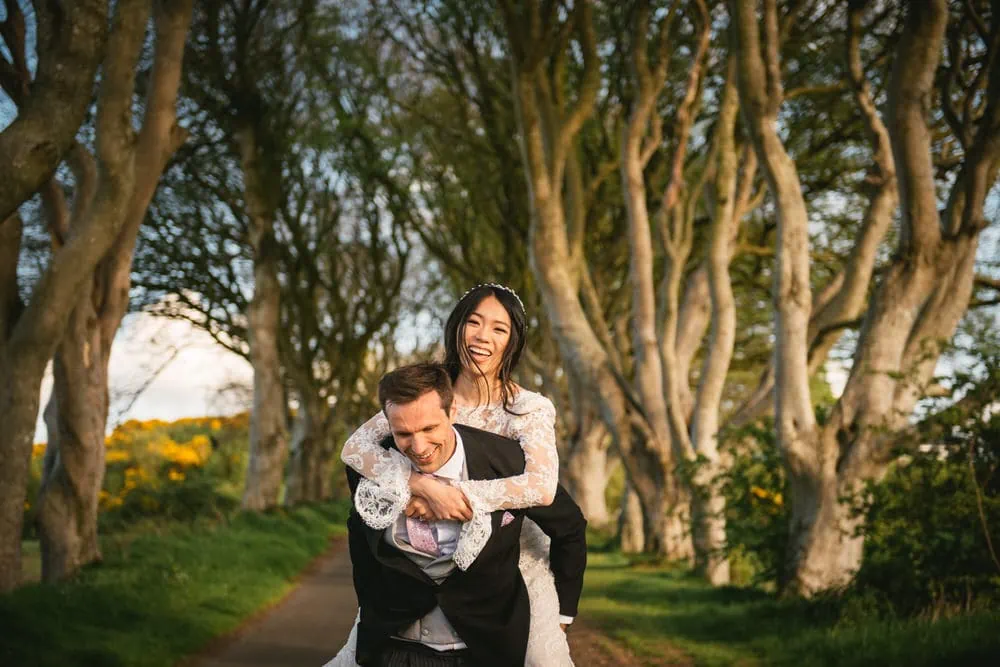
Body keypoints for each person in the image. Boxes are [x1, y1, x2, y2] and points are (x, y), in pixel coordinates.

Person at [333, 284, 577, 666]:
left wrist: (456, 497)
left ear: (513, 340)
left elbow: (542, 487)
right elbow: (355, 448)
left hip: (510, 555)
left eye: (499, 328)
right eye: (474, 322)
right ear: (456, 327)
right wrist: (421, 485)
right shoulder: (430, 393)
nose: (483, 336)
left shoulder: (527, 408)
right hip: (425, 555)